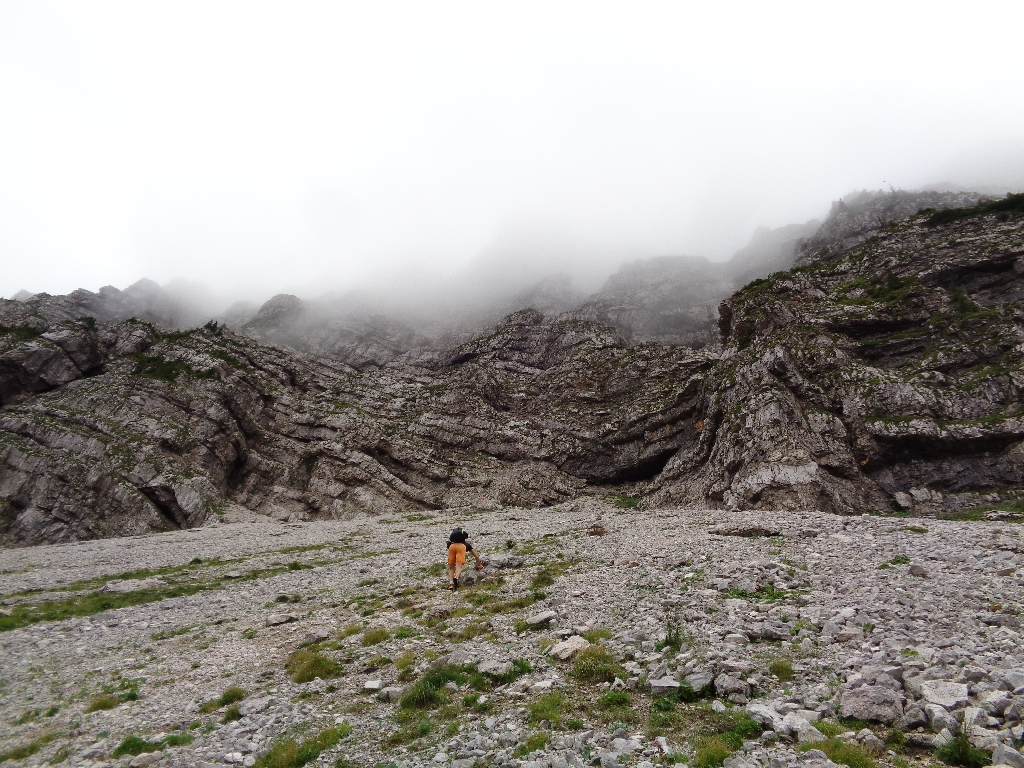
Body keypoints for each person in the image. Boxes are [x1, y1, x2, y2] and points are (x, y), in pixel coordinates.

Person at [446, 526, 483, 590]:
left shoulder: (450, 544)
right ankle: (456, 578)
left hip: (451, 548)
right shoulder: (466, 544)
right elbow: (476, 556)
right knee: (458, 566)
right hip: (461, 548)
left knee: (451, 568)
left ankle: (451, 583)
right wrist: (479, 565)